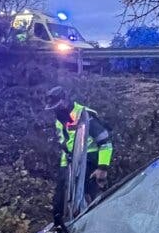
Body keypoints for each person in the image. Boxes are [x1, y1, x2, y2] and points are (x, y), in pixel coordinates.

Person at [45, 85, 113, 224]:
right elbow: (66, 146)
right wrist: (64, 171)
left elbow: (105, 142)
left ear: (64, 101)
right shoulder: (59, 120)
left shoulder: (84, 116)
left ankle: (101, 225)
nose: (56, 110)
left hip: (92, 161)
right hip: (72, 162)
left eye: (57, 106)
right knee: (60, 201)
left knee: (95, 199)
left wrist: (102, 168)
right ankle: (61, 228)